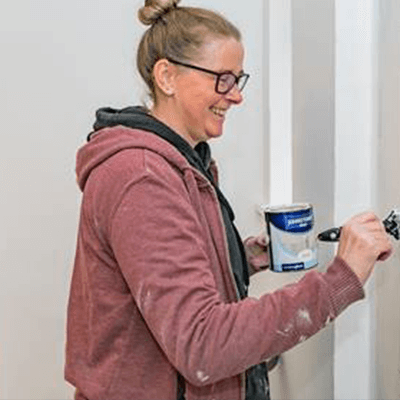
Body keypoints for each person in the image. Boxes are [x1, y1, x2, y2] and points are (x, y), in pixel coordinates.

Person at [64, 1, 393, 399]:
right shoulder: (143, 176)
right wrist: (342, 278)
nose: (235, 96)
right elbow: (203, 345)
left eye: (239, 79)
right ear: (166, 76)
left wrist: (240, 256)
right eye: (222, 79)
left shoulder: (182, 161)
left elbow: (166, 271)